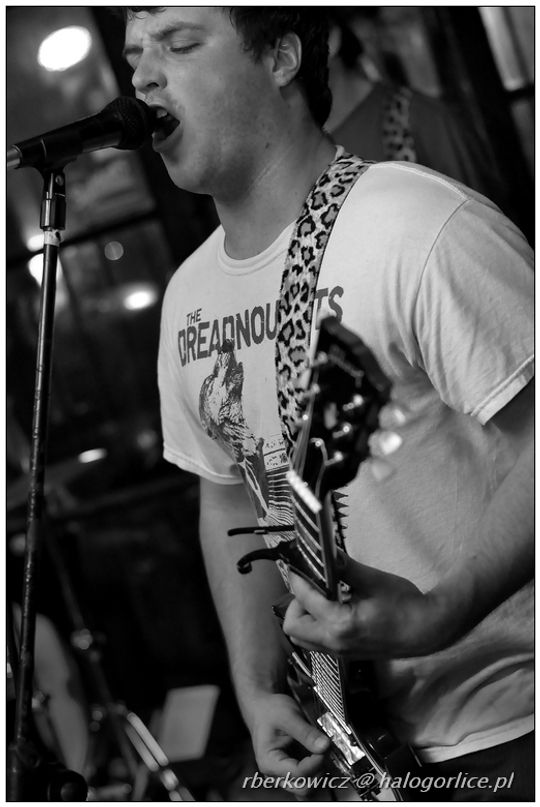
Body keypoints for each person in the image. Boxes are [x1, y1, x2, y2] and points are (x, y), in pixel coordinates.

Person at [122, 7, 534, 800]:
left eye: (179, 43)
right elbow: (228, 495)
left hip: (514, 728)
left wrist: (443, 611)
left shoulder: (416, 225)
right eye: (136, 54)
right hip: (359, 747)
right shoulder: (188, 297)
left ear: (280, 58)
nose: (142, 76)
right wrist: (254, 684)